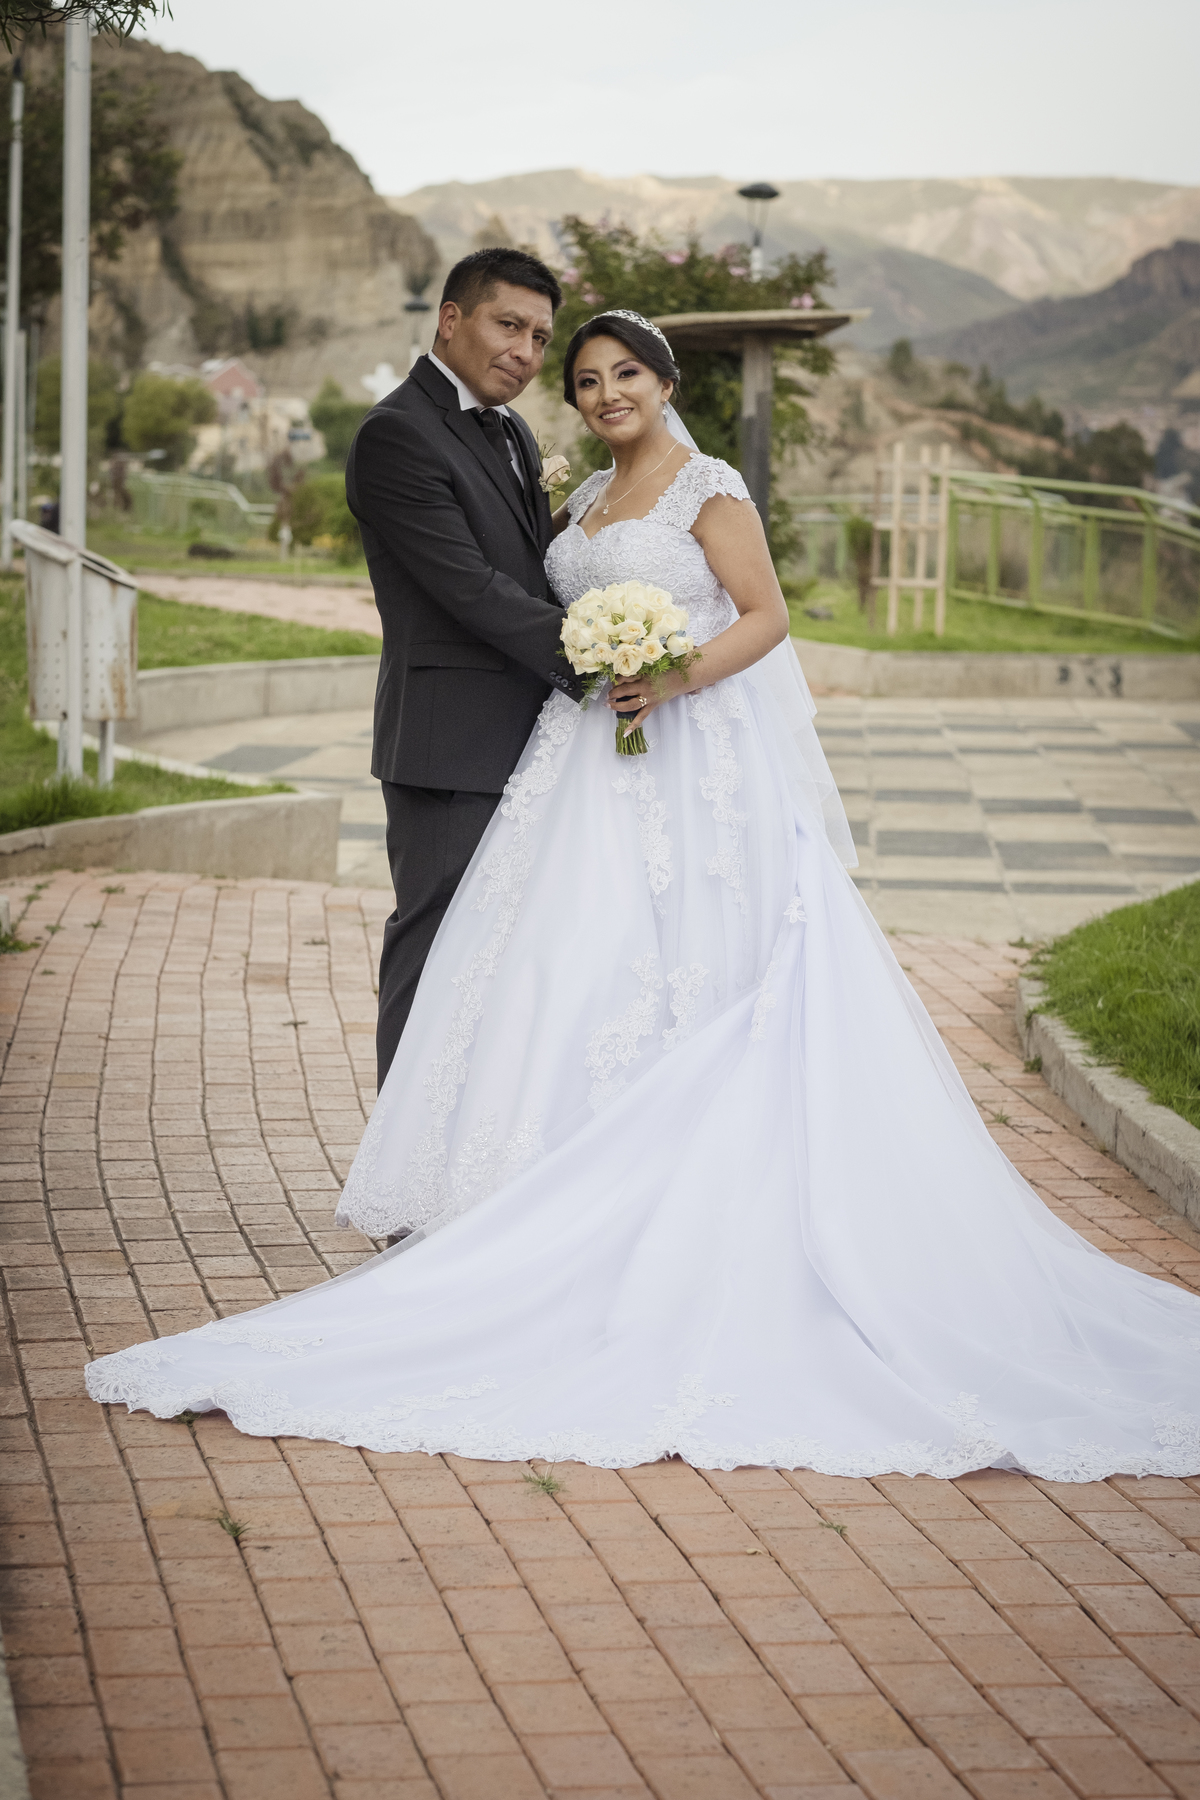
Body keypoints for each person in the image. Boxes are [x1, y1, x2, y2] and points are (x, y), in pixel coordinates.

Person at [86, 312, 1200, 1481]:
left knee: (699, 974)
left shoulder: (708, 488)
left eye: (625, 374)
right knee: (562, 967)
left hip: (697, 764)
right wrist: (613, 671)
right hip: (582, 771)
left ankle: (700, 1229)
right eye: (585, 380)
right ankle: (528, 1215)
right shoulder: (572, 505)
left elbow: (768, 620)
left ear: (665, 382)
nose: (606, 391)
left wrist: (671, 675)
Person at [344, 246, 585, 1097]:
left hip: (528, 737)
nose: (524, 350)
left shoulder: (513, 430)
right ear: (453, 319)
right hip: (449, 750)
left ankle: (462, 1167)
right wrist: (596, 656)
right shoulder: (397, 434)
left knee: (503, 957)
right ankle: (401, 1198)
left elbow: (532, 564)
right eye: (507, 324)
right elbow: (470, 590)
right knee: (435, 948)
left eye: (540, 337)